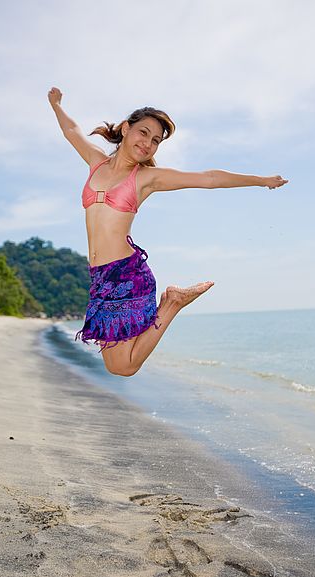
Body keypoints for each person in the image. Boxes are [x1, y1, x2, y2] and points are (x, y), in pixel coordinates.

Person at [48, 86, 288, 377]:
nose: (148, 143)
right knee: (117, 365)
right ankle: (172, 301)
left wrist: (260, 180)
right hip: (100, 277)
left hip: (126, 275)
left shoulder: (147, 178)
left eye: (156, 141)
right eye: (143, 132)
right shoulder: (96, 161)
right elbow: (72, 131)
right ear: (126, 128)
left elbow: (208, 178)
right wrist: (57, 105)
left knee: (125, 367)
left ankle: (172, 303)